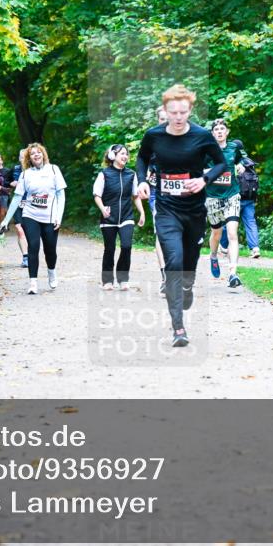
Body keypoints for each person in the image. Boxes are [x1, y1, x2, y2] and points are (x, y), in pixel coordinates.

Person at [136, 84, 226, 348]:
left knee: (188, 263)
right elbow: (141, 159)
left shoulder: (202, 135)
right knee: (173, 261)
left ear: (190, 110)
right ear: (165, 110)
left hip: (194, 210)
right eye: (173, 112)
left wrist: (204, 180)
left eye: (183, 112)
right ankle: (178, 327)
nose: (177, 117)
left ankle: (188, 285)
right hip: (166, 209)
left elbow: (221, 163)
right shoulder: (154, 135)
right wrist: (142, 181)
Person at [12, 143, 66, 294]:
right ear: (29, 158)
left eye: (39, 152)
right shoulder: (25, 174)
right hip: (30, 214)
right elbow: (16, 198)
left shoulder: (54, 169)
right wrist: (5, 221)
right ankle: (33, 283)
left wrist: (59, 217)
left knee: (50, 250)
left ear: (43, 154)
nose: (36, 155)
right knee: (33, 246)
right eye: (32, 153)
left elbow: (61, 196)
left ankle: (51, 271)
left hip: (50, 216)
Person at [93, 144, 145, 290]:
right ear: (112, 156)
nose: (125, 156)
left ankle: (123, 279)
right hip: (109, 218)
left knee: (126, 246)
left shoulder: (131, 174)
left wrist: (142, 212)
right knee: (109, 249)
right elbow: (97, 195)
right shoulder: (104, 174)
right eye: (122, 153)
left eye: (126, 154)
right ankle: (107, 281)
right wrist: (102, 209)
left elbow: (136, 196)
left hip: (127, 217)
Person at [205, 119, 248, 289]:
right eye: (216, 129)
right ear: (212, 133)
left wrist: (240, 166)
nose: (219, 131)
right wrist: (213, 172)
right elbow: (196, 171)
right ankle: (213, 256)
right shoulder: (206, 150)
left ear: (227, 132)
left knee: (232, 233)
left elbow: (239, 161)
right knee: (216, 233)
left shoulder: (233, 148)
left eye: (222, 129)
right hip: (212, 197)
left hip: (232, 195)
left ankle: (233, 273)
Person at [219, 155, 261, 258]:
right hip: (249, 199)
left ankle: (223, 248)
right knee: (251, 223)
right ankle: (255, 249)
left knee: (228, 223)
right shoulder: (249, 163)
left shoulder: (231, 162)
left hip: (235, 199)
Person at [148, 107, 168, 294]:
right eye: (162, 118)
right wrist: (143, 180)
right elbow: (143, 162)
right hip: (157, 193)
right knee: (161, 234)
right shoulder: (152, 139)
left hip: (180, 194)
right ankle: (165, 276)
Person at [8, 149, 29, 268]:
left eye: (25, 156)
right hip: (17, 204)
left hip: (31, 204)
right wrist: (11, 184)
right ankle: (25, 257)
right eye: (21, 157)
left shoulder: (34, 170)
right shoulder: (14, 169)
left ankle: (30, 254)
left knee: (29, 232)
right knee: (20, 230)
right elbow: (4, 181)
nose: (23, 159)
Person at [0, 154, 11, 226]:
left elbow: (11, 182)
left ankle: (3, 225)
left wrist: (9, 189)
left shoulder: (7, 171)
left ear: (2, 161)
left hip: (4, 194)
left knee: (3, 212)